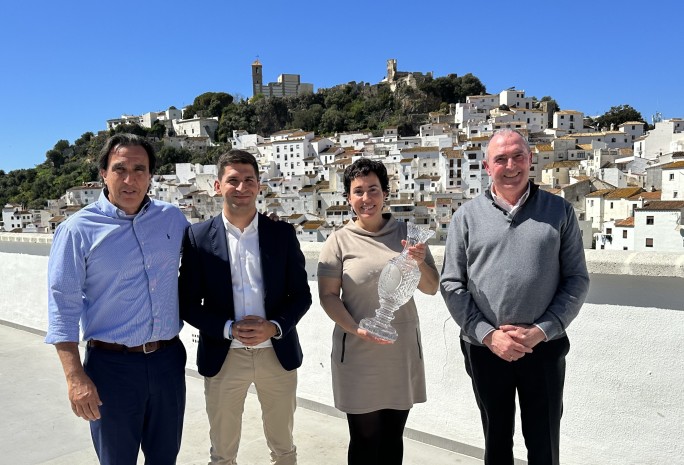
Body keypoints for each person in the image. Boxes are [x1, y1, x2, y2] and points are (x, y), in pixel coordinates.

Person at [440, 129, 590, 465]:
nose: (511, 165)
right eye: (501, 158)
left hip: (544, 347)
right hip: (485, 349)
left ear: (530, 159)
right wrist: (489, 335)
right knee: (496, 442)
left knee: (544, 443)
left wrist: (541, 331)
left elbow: (577, 279)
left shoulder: (560, 211)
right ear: (486, 165)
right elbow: (451, 284)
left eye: (518, 155)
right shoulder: (465, 217)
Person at [45, 133, 190, 465]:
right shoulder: (76, 230)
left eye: (139, 169)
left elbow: (211, 250)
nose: (130, 179)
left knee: (165, 458)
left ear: (151, 175)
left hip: (168, 361)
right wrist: (74, 377)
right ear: (103, 173)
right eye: (120, 168)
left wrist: (257, 224)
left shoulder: (172, 219)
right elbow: (62, 306)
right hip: (111, 368)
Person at [178, 149, 311, 465]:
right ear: (217, 185)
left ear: (259, 185)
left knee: (284, 449)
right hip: (224, 357)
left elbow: (302, 295)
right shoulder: (196, 237)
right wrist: (227, 328)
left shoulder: (281, 233)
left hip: (276, 355)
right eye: (232, 180)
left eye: (248, 180)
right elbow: (186, 303)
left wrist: (274, 326)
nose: (241, 187)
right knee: (222, 452)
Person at [317, 158, 439, 465]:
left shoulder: (409, 234)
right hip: (357, 354)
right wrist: (355, 329)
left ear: (385, 193)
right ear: (348, 197)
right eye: (358, 191)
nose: (366, 198)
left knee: (392, 438)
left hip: (400, 353)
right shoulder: (337, 241)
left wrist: (420, 260)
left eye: (373, 189)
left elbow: (431, 287)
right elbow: (329, 297)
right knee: (364, 439)